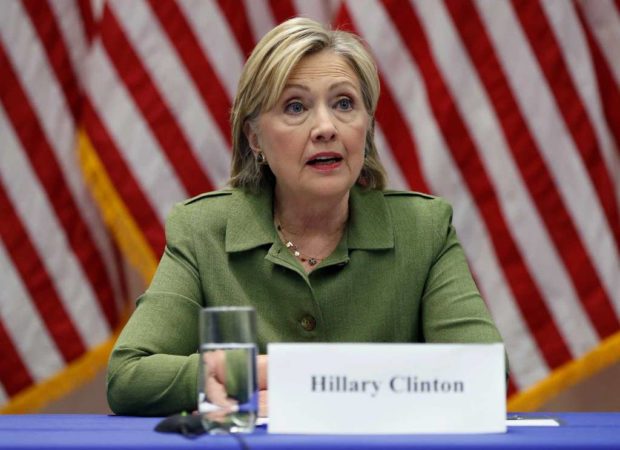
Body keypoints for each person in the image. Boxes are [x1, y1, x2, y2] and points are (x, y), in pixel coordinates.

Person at [106, 17, 504, 417]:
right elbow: (130, 376)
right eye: (295, 106)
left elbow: (485, 371)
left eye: (344, 103)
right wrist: (268, 371)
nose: (326, 127)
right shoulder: (203, 231)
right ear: (255, 138)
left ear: (366, 127)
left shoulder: (424, 229)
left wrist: (303, 379)